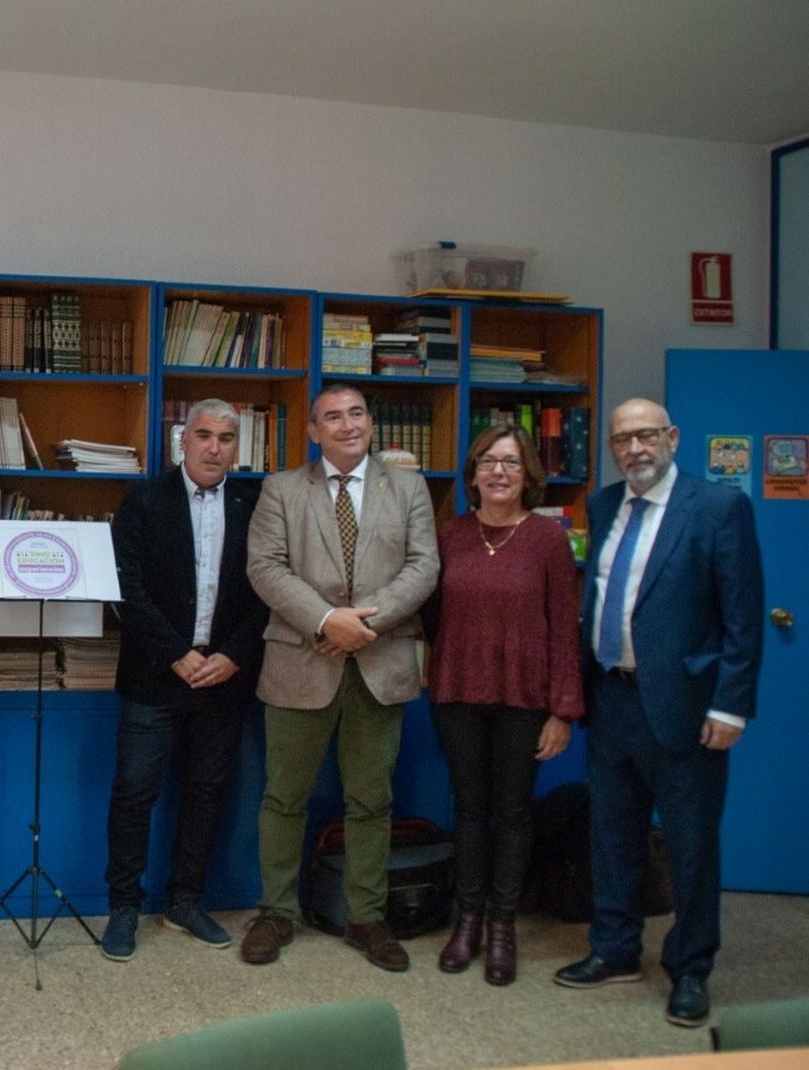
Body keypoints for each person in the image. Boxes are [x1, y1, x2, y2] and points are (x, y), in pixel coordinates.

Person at [554, 397, 763, 1028]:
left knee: (690, 844)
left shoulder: (719, 508)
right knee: (611, 836)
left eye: (646, 436)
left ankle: (691, 968)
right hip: (611, 699)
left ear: (672, 436)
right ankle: (614, 949)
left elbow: (743, 618)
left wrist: (732, 705)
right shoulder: (602, 504)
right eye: (623, 440)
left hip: (686, 706)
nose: (634, 449)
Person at [241, 384, 438, 971]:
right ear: (313, 430)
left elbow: (424, 565)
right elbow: (265, 566)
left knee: (372, 800)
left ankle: (367, 917)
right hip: (300, 662)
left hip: (380, 663)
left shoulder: (407, 486)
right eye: (333, 417)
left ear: (370, 423)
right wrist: (326, 619)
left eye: (356, 414)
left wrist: (362, 624)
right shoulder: (281, 488)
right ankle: (277, 912)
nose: (347, 424)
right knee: (283, 798)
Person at [98, 399, 265, 962]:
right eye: (203, 435)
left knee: (206, 791)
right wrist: (176, 654)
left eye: (226, 437)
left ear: (236, 447)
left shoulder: (256, 503)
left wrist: (234, 655)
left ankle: (186, 901)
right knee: (134, 794)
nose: (214, 447)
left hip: (224, 677)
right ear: (182, 441)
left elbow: (270, 590)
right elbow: (125, 587)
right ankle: (123, 906)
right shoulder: (144, 500)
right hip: (155, 675)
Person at [424, 424, 583, 986]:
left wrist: (562, 710)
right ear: (472, 474)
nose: (498, 472)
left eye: (511, 463)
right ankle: (465, 920)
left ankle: (501, 926)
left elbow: (565, 629)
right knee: (469, 808)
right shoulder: (449, 537)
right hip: (457, 692)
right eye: (488, 462)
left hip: (524, 696)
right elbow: (430, 617)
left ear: (528, 475)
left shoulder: (547, 540)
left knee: (513, 812)